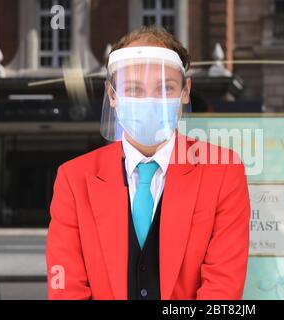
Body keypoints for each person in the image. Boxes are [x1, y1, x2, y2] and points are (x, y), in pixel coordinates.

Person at [46, 26, 251, 300]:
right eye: (133, 89)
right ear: (112, 95)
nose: (150, 101)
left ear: (185, 91)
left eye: (165, 88)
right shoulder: (74, 179)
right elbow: (66, 287)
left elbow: (222, 289)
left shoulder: (223, 172)